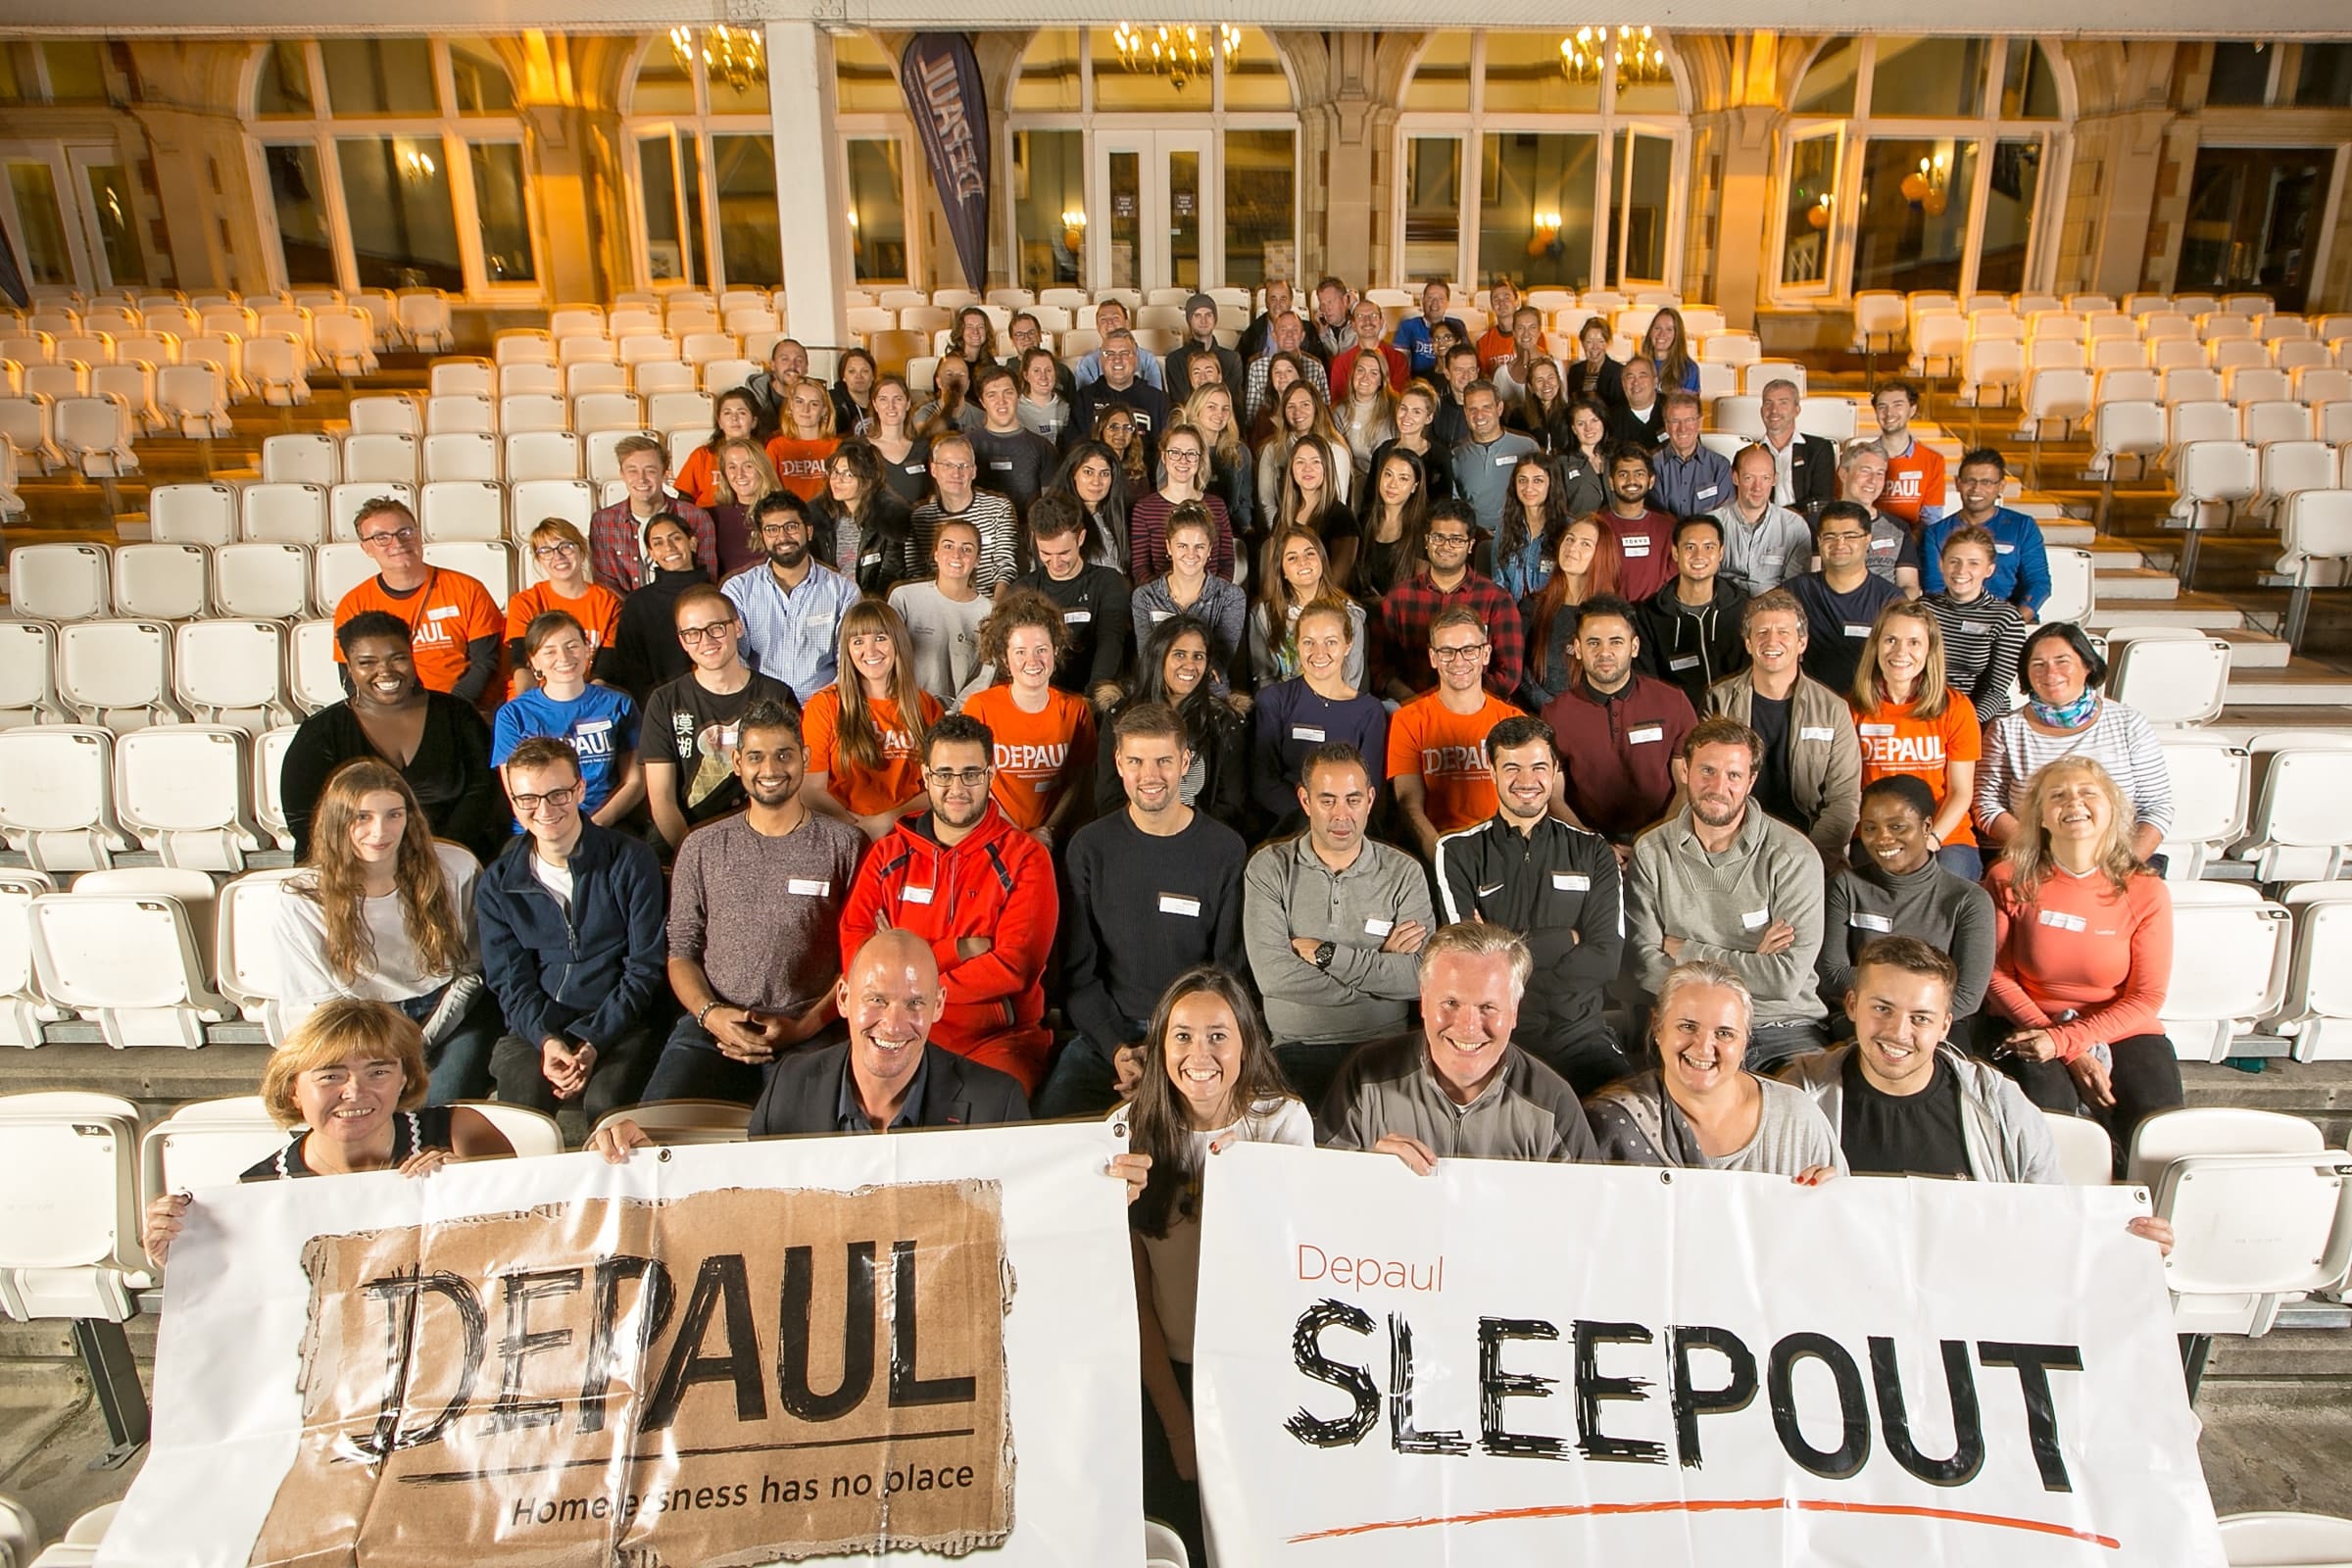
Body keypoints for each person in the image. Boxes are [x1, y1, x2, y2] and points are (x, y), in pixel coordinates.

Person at [1782, 938, 2184, 1245]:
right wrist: (1794, 1198)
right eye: (1881, 1008)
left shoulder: (2000, 1105)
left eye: (1920, 1018)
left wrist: (2122, 1240)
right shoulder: (1796, 1095)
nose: (1898, 1033)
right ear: (1851, 1005)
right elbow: (1752, 1220)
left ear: (1944, 1026)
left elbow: (2051, 1221)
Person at [1121, 967, 1311, 1568]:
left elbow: (1299, 1269)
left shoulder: (1283, 1123)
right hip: (1166, 1377)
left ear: (1247, 1044)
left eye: (1217, 1036)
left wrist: (1257, 1183)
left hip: (1267, 1375)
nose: (1198, 1054)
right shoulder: (1124, 1135)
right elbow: (1135, 1304)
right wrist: (1180, 1429)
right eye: (1181, 1036)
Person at [594, 930, 1033, 1149]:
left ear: (939, 1006)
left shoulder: (996, 1103)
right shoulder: (789, 1085)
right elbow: (748, 1203)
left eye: (915, 1004)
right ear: (843, 998)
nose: (895, 1024)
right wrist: (646, 1163)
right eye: (876, 999)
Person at [145, 1000, 512, 1252]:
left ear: (404, 1080)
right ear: (293, 1092)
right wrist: (181, 1261)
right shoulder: (261, 1190)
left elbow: (533, 1239)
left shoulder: (463, 1132)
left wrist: (477, 1186)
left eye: (379, 1072)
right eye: (330, 1076)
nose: (354, 1091)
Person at [641, 698, 865, 1104]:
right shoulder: (701, 846)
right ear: (737, 762)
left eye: (784, 755)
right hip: (712, 1027)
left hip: (812, 1030)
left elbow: (860, 957)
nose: (771, 769)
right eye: (757, 757)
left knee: (812, 1144)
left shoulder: (844, 844)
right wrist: (712, 1015)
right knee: (659, 1125)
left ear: (806, 758)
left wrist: (805, 1026)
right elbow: (682, 951)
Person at [1042, 703, 1250, 1118]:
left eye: (1163, 761)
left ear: (1185, 762)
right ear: (1119, 762)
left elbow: (1227, 975)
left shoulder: (1225, 850)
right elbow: (1080, 974)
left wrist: (1180, 1048)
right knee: (1050, 1128)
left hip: (1197, 1041)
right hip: (1110, 1038)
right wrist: (1118, 1048)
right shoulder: (1089, 848)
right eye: (1136, 761)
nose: (1149, 776)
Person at [1977, 758, 2182, 1167]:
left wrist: (2067, 1041)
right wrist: (2066, 1047)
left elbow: (2147, 996)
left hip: (2122, 1026)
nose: (2075, 802)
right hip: (2029, 1022)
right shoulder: (2007, 877)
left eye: (2088, 792)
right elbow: (1994, 977)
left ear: (2112, 808)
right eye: (2058, 795)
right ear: (2041, 816)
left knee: (2156, 1121)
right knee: (2050, 1117)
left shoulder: (2145, 890)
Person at [838, 714, 1057, 1093]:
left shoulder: (1026, 856)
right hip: (896, 1032)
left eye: (971, 774)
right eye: (944, 774)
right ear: (926, 776)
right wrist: (959, 950)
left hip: (995, 1040)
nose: (957, 788)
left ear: (991, 774)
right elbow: (858, 958)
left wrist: (904, 966)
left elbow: (1012, 968)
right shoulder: (887, 854)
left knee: (983, 1126)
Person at [272, 760, 500, 1102]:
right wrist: (382, 1052)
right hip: (356, 1020)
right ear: (338, 821)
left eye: (394, 815)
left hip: (450, 1009)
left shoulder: (456, 869)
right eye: (362, 817)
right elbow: (314, 1002)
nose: (380, 832)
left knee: (438, 1107)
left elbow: (472, 969)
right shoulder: (302, 898)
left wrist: (416, 1045)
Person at [478, 737, 669, 1122]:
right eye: (528, 799)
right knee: (524, 1110)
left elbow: (644, 967)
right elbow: (511, 982)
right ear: (513, 802)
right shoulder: (499, 882)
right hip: (537, 1026)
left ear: (580, 789)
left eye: (558, 794)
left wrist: (594, 1040)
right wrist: (547, 1041)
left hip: (623, 1021)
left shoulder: (630, 860)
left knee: (608, 1105)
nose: (544, 810)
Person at [1435, 715, 1629, 1094]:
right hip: (1496, 1038)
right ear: (1491, 771)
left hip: (1581, 1034)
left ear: (1556, 770)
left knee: (1628, 1112)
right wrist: (1564, 940)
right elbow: (1470, 962)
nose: (1527, 781)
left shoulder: (1593, 851)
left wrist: (1506, 954)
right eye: (1512, 768)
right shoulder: (1457, 852)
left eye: (1539, 767)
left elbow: (1606, 958)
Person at [1627, 718, 1829, 1067]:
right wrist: (1753, 961)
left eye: (1733, 775)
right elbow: (1645, 966)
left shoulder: (1793, 855)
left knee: (1807, 1108)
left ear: (1750, 781)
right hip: (1690, 1024)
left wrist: (1685, 948)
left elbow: (1783, 978)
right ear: (1685, 771)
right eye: (1707, 770)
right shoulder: (1651, 851)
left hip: (1779, 1024)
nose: (1718, 787)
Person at [1318, 920, 1601, 1166]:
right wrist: (1363, 1173)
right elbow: (1316, 1201)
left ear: (1514, 1011)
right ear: (1424, 1000)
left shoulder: (1553, 1102)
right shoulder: (1365, 1076)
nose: (1467, 1027)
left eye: (1488, 1007)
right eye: (1451, 1003)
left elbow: (1590, 1217)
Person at [1245, 742, 1434, 1102]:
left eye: (1353, 799)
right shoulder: (1269, 868)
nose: (1341, 814)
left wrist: (1330, 955)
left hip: (1385, 1049)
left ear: (1371, 798)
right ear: (1305, 801)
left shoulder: (1404, 872)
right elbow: (1273, 976)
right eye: (1327, 800)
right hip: (1296, 1051)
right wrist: (1379, 973)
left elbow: (1421, 976)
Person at [281, 612, 503, 864]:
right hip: (353, 869)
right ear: (349, 667)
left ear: (411, 656)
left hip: (453, 862)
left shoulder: (458, 715)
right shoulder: (320, 732)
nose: (385, 671)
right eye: (367, 662)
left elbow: (482, 790)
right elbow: (304, 819)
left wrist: (439, 855)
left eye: (397, 659)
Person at [1586, 961, 1843, 1176]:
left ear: (1745, 1041)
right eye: (1687, 1026)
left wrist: (1831, 1198)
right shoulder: (1612, 1122)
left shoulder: (1796, 1118)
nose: (1703, 1047)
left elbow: (1840, 1224)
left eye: (1724, 1033)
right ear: (1658, 1027)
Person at [1976, 621, 2174, 863]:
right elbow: (1986, 804)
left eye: (2062, 661)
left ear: (2087, 665)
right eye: (2038, 664)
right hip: (2034, 859)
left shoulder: (2128, 723)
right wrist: (2044, 857)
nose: (2050, 673)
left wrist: (2122, 865)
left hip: (2116, 858)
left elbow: (2156, 806)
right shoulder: (2006, 728)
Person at [1821, 777, 1995, 1033]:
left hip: (1938, 1028)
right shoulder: (1845, 886)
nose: (1882, 839)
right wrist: (1916, 996)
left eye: (1897, 827)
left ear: (1926, 826)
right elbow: (1831, 975)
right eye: (1870, 828)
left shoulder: (1968, 900)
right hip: (1858, 1022)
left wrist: (1907, 1021)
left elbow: (1968, 995)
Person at [1704, 589, 1864, 866]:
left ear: (1802, 643)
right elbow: (1707, 784)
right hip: (1733, 845)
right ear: (1749, 643)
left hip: (1812, 846)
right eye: (1762, 632)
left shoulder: (1833, 709)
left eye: (1784, 632)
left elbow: (1844, 799)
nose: (1772, 641)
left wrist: (1808, 859)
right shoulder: (1718, 700)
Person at [640, 583, 800, 850]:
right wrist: (694, 855)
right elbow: (662, 799)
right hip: (687, 839)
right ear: (682, 640)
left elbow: (793, 780)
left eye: (716, 628)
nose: (706, 641)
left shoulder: (776, 693)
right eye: (692, 633)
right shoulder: (665, 701)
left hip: (765, 836)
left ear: (737, 627)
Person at [1540, 595, 1697, 853]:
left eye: (1616, 642)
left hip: (1667, 842)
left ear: (1634, 647)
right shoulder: (1554, 714)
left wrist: (1654, 846)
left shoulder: (1673, 702)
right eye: (1593, 643)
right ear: (1577, 649)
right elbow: (1554, 796)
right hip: (1588, 846)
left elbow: (1688, 785)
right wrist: (1594, 847)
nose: (1605, 653)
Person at [1849, 600, 1983, 878]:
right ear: (1875, 646)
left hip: (1945, 837)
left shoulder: (1956, 708)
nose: (1901, 652)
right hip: (1876, 835)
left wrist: (1931, 840)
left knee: (1940, 890)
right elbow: (1845, 788)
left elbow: (1961, 792)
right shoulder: (1850, 708)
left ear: (1929, 650)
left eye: (1914, 642)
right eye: (1890, 640)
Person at [958, 589, 1099, 846]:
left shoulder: (1076, 709)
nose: (1032, 660)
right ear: (1004, 657)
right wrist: (1015, 835)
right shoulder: (980, 707)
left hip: (1056, 839)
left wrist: (1048, 831)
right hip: (995, 836)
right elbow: (974, 781)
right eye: (1020, 651)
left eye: (1041, 649)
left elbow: (1079, 784)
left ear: (1055, 651)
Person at [1388, 606, 1527, 859]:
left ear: (1485, 654)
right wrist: (1439, 853)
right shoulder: (1408, 720)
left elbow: (1524, 801)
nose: (1458, 661)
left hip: (1503, 851)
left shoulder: (1513, 721)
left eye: (1469, 650)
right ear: (1433, 657)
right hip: (1439, 847)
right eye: (1447, 652)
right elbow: (1409, 801)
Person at [799, 600, 944, 844]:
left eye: (880, 638)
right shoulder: (824, 706)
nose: (871, 650)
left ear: (897, 642)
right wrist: (856, 829)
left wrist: (889, 820)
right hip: (841, 833)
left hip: (909, 833)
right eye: (858, 642)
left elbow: (940, 786)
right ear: (847, 650)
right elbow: (810, 790)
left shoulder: (926, 706)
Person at [334, 498, 502, 707]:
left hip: (462, 709)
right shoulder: (353, 605)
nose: (397, 543)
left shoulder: (467, 589)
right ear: (366, 548)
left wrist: (447, 710)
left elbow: (486, 663)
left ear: (418, 535)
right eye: (381, 537)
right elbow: (352, 678)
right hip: (389, 714)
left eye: (405, 532)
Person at [1094, 614, 1250, 830]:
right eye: (1179, 654)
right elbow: (1108, 798)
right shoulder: (1119, 716)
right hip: (1131, 835)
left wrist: (1188, 836)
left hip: (1199, 837)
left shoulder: (1222, 722)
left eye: (1198, 656)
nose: (1190, 665)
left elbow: (1231, 803)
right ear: (1158, 656)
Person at [491, 611, 644, 827]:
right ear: (534, 662)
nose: (563, 658)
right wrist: (552, 834)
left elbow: (634, 782)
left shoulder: (620, 704)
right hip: (538, 828)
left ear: (586, 650)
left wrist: (590, 827)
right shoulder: (512, 715)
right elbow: (518, 796)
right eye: (549, 651)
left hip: (605, 824)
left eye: (572, 646)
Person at [1250, 601, 1389, 830]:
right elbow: (1263, 782)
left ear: (1348, 645)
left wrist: (1336, 823)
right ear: (1296, 645)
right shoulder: (1273, 700)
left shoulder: (1369, 711)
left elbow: (1367, 788)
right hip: (1286, 827)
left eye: (1331, 642)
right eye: (1308, 642)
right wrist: (1313, 821)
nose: (1319, 653)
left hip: (1347, 828)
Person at [1376, 498, 1525, 701]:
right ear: (1427, 540)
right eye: (1438, 537)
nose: (1446, 546)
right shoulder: (1398, 598)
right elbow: (1379, 667)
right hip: (1411, 706)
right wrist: (1417, 704)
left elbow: (1509, 675)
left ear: (1470, 545)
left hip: (1477, 709)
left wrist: (1461, 702)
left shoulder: (1496, 600)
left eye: (1456, 539)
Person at [719, 489, 860, 703]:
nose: (782, 537)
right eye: (772, 530)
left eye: (791, 527)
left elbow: (847, 664)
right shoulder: (738, 590)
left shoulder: (843, 591)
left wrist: (823, 708)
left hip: (824, 709)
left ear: (809, 531)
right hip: (758, 707)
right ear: (762, 537)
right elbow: (734, 657)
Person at [1013, 492, 1132, 704]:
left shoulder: (1108, 582)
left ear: (1081, 538)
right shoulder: (1023, 589)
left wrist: (1091, 698)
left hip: (1094, 695)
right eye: (1046, 554)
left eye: (1064, 553)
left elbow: (1111, 641)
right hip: (1040, 698)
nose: (1056, 562)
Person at [1919, 449, 2051, 618]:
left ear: (2001, 486)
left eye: (1986, 482)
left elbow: (2039, 583)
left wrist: (2013, 623)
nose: (1976, 489)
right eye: (1969, 481)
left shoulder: (2023, 526)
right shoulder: (1936, 532)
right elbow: (1934, 587)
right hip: (1952, 621)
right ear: (1958, 483)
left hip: (2011, 618)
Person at [1789, 501, 1904, 695]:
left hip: (1868, 703)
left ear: (1867, 540)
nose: (1839, 544)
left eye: (1850, 536)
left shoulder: (1890, 600)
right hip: (1809, 702)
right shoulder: (1796, 591)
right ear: (1819, 541)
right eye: (1830, 536)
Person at [1634, 514, 1747, 710]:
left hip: (1736, 720)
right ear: (1675, 553)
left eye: (1709, 547)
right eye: (1689, 547)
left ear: (1721, 553)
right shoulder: (1648, 616)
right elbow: (1648, 685)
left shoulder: (1745, 609)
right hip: (1679, 723)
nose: (1698, 555)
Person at [503, 517, 621, 697]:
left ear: (582, 551)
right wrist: (532, 708)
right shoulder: (524, 602)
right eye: (546, 551)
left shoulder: (609, 603)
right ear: (538, 559)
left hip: (587, 696)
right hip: (534, 698)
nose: (557, 556)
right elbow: (521, 666)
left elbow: (602, 673)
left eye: (566, 546)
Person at [1925, 523, 2030, 720]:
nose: (1961, 570)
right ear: (1941, 564)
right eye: (1954, 561)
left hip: (1979, 718)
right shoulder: (1923, 609)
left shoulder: (2007, 618)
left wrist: (1963, 724)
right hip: (1928, 713)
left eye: (1973, 563)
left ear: (1989, 570)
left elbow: (1995, 690)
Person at [1130, 504, 1246, 680]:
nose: (1191, 554)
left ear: (1209, 549)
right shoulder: (1144, 596)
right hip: (1158, 687)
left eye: (1199, 546)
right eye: (1182, 546)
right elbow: (1148, 656)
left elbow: (1220, 659)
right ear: (1169, 547)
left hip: (1208, 689)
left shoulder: (1231, 596)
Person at [1518, 514, 1623, 710]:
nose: (1573, 547)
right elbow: (1520, 672)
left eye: (1585, 544)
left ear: (1602, 555)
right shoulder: (1532, 606)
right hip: (1539, 715)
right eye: (1570, 539)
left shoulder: (1616, 615)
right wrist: (1553, 710)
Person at [589, 435, 716, 590]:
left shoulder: (696, 517)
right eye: (632, 471)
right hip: (627, 611)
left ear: (665, 474)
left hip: (688, 608)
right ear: (622, 474)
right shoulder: (603, 522)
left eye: (650, 471)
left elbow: (707, 578)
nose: (641, 479)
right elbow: (606, 585)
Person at [604, 513, 708, 701]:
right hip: (658, 706)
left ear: (692, 543)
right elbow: (630, 671)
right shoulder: (638, 603)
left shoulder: (720, 593)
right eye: (658, 542)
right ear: (651, 553)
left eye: (676, 538)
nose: (669, 547)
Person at [1250, 523, 1368, 690]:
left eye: (1310, 554)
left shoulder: (1349, 614)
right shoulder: (1264, 615)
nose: (1303, 562)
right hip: (1285, 707)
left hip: (1336, 708)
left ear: (1322, 560)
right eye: (1292, 558)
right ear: (1282, 570)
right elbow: (1265, 679)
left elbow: (1352, 680)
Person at [888, 518, 990, 704]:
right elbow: (888, 660)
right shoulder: (904, 598)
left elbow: (984, 676)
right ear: (935, 553)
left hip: (958, 719)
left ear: (977, 560)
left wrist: (956, 714)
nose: (956, 555)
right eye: (948, 546)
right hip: (906, 709)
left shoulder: (990, 611)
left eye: (966, 549)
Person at [911, 432, 1021, 593]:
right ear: (934, 469)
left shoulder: (999, 509)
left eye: (963, 466)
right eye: (947, 465)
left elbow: (1006, 569)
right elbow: (916, 574)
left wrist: (995, 610)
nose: (956, 473)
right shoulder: (920, 518)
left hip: (989, 603)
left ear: (974, 471)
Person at [810, 439, 919, 596]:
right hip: (828, 600)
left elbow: (890, 575)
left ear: (867, 481)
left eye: (847, 474)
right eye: (834, 471)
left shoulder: (890, 519)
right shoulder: (816, 518)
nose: (836, 480)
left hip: (873, 605)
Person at [1131, 424, 1238, 585]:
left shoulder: (1217, 506)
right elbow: (1141, 569)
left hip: (1210, 602)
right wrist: (1169, 597)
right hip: (1161, 602)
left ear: (1200, 459)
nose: (1183, 460)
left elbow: (1226, 564)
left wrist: (1207, 596)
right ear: (1164, 457)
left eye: (1191, 454)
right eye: (1175, 453)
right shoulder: (1144, 509)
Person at [1712, 444, 1816, 595]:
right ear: (1735, 478)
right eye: (1749, 478)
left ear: (1775, 479)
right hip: (1724, 606)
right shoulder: (1711, 524)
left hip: (1775, 609)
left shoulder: (1794, 526)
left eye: (1765, 478)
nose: (1757, 487)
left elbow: (1795, 587)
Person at [1447, 381, 1538, 540]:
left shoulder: (1527, 446)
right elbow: (1456, 506)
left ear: (1500, 408)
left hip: (1522, 536)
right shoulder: (1456, 455)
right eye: (1472, 409)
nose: (1479, 415)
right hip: (1476, 539)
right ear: (1465, 413)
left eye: (1486, 407)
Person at [1255, 382, 1354, 523]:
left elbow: (1337, 501)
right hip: (1283, 528)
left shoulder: (1336, 451)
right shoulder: (1272, 450)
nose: (1298, 412)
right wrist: (1280, 533)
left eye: (1305, 404)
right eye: (1291, 406)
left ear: (1316, 408)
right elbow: (1267, 504)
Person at [1835, 441, 1924, 596]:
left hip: (1887, 613)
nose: (1873, 480)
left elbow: (1909, 586)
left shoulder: (1898, 528)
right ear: (1844, 474)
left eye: (1880, 473)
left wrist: (1887, 614)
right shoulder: (1819, 523)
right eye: (1865, 471)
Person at [967, 364, 1058, 514]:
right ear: (982, 402)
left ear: (1018, 396)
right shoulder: (966, 446)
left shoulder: (1043, 448)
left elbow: (1049, 506)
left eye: (1008, 393)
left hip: (1028, 531)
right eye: (992, 395)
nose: (1001, 401)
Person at [1594, 443, 1675, 602]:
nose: (1631, 480)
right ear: (1611, 482)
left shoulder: (1668, 527)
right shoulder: (1596, 526)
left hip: (1655, 616)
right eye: (1623, 474)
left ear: (1651, 481)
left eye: (1639, 474)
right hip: (1609, 614)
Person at [1352, 449, 1430, 607]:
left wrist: (1385, 602)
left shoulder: (1423, 530)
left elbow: (1421, 591)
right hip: (1360, 609)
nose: (1392, 484)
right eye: (1388, 475)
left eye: (1403, 479)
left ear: (1414, 486)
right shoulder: (1364, 520)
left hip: (1401, 615)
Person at [1182, 383, 1255, 547]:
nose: (1219, 414)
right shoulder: (1180, 448)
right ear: (1197, 409)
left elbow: (1244, 500)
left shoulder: (1240, 451)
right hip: (1188, 532)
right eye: (1211, 407)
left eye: (1225, 408)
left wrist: (1247, 531)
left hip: (1230, 532)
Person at [1754, 378, 1838, 520]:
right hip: (1761, 528)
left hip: (1807, 525)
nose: (1774, 410)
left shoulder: (1819, 449)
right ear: (1761, 410)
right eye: (1768, 403)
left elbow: (1822, 498)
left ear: (1797, 410)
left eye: (1783, 403)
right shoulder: (1751, 454)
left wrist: (1781, 516)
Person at [1491, 452, 1568, 602]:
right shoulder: (1504, 527)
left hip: (1552, 615)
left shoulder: (1568, 529)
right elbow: (1498, 582)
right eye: (1522, 480)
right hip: (1512, 614)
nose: (1528, 488)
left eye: (1537, 481)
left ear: (1551, 484)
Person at [1052, 438, 1137, 573]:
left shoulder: (1124, 515)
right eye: (1088, 472)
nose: (1096, 481)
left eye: (1104, 474)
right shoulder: (1055, 518)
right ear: (1073, 474)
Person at [1366, 381, 1454, 508]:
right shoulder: (1383, 450)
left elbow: (1443, 504)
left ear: (1428, 418)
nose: (1407, 416)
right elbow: (1370, 499)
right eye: (1403, 409)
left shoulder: (1440, 457)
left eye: (1416, 412)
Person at [1871, 381, 1946, 527]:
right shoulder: (1859, 458)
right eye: (1882, 406)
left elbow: (1931, 519)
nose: (1889, 413)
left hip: (1913, 542)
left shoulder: (1933, 460)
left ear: (1912, 410)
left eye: (1897, 405)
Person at [702, 435, 778, 580]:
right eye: (732, 467)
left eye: (748, 466)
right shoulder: (711, 516)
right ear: (724, 473)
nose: (739, 474)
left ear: (762, 469)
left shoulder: (783, 512)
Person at [1073, 328, 1172, 439]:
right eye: (1109, 353)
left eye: (1124, 353)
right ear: (1101, 360)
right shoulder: (1083, 398)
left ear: (1136, 359)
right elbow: (1076, 446)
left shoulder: (1158, 400)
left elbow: (1164, 445)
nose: (1117, 359)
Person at [1651, 391, 1735, 517]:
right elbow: (1658, 518)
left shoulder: (1720, 466)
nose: (1682, 428)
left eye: (1689, 420)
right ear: (1666, 425)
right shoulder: (1653, 465)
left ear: (1700, 422)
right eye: (1675, 421)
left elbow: (1724, 517)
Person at [1242, 318, 1331, 428]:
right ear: (1274, 336)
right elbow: (1251, 416)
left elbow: (1325, 410)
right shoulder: (1257, 366)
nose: (1289, 335)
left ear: (1302, 336)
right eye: (1283, 330)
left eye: (1294, 330)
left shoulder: (1316, 367)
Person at [762, 377, 840, 503]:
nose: (806, 409)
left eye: (814, 403)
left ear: (824, 411)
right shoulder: (776, 446)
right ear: (790, 407)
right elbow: (768, 490)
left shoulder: (837, 447)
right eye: (799, 402)